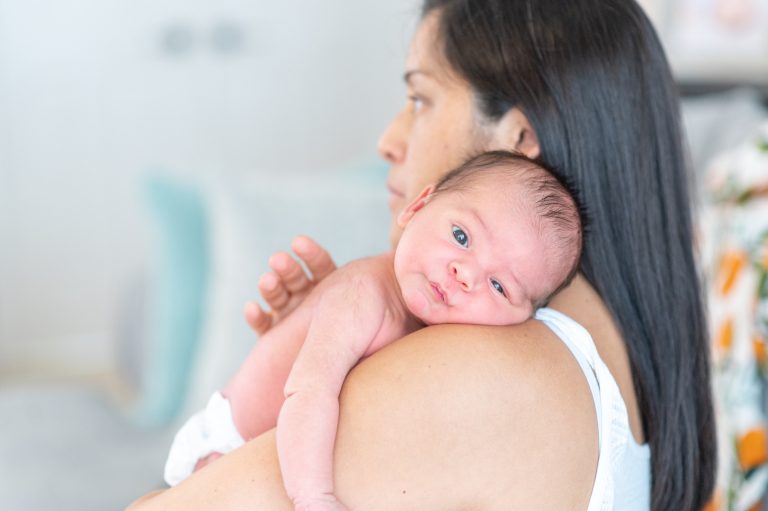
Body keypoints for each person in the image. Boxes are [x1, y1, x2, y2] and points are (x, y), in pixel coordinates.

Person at [127, 1, 716, 509]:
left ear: (518, 138)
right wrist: (322, 353)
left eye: (419, 98)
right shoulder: (618, 368)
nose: (389, 139)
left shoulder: (480, 373)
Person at [162, 151, 583, 511]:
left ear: (526, 320)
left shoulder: (449, 345)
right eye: (461, 236)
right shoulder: (363, 293)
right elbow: (308, 393)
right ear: (417, 207)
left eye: (499, 286)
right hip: (224, 447)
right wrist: (314, 498)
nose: (465, 273)